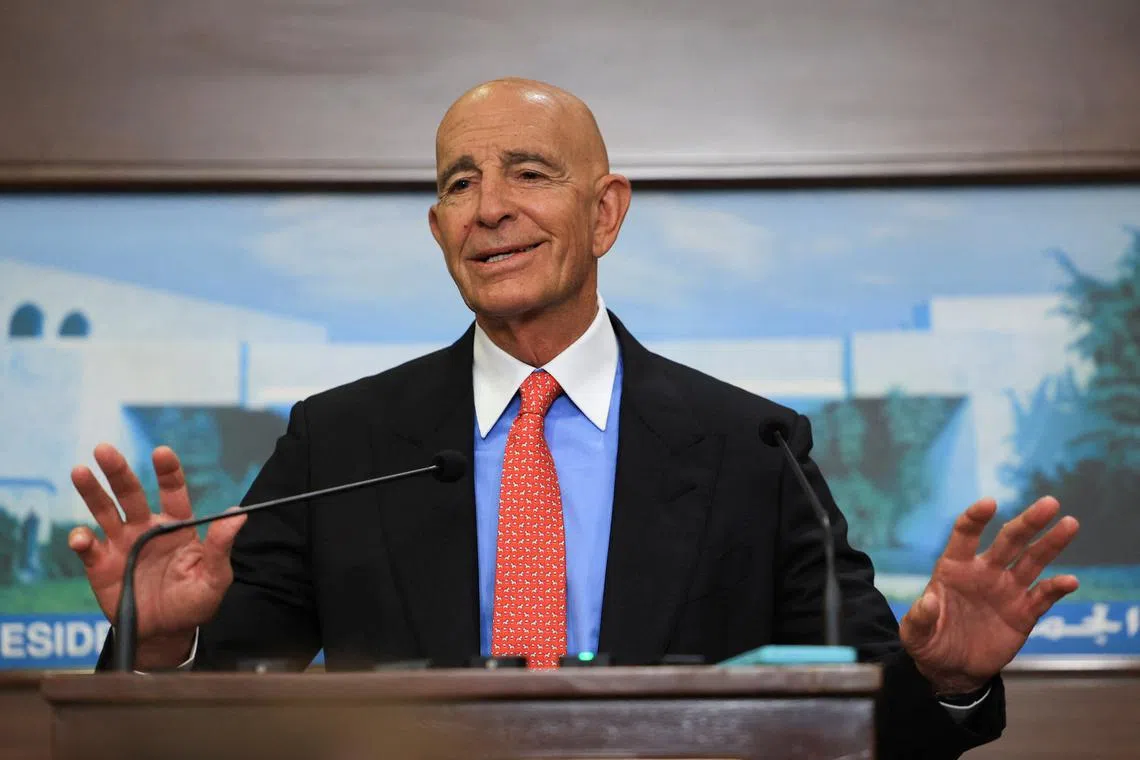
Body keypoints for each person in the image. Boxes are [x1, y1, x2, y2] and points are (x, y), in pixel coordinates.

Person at [68, 78, 1080, 758]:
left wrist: (943, 679)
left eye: (529, 172)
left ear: (606, 213)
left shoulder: (752, 444)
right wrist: (161, 645)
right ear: (437, 229)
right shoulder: (340, 440)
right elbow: (227, 711)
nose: (488, 206)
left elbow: (857, 706)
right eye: (459, 182)